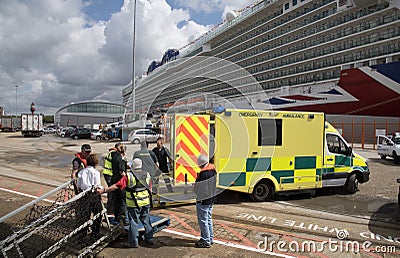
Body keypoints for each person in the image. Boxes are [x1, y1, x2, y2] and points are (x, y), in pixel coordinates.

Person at [98, 158, 154, 248]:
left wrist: (104, 190)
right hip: (145, 201)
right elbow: (150, 187)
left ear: (132, 166)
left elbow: (117, 186)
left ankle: (133, 242)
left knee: (134, 222)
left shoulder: (129, 176)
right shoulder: (147, 174)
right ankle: (149, 238)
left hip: (133, 203)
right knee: (146, 220)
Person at [77, 153, 103, 238]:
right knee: (98, 213)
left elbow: (79, 185)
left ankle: (82, 234)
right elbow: (97, 185)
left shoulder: (81, 172)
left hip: (84, 195)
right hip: (93, 195)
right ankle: (95, 233)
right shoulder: (96, 173)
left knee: (84, 216)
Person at [193, 154, 217, 248]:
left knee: (203, 221)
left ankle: (206, 240)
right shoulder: (213, 171)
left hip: (203, 200)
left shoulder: (204, 174)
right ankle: (210, 238)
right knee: (208, 219)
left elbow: (199, 189)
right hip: (211, 199)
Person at [110, 143, 128, 225]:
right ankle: (123, 218)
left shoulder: (114, 156)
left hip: (114, 179)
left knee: (116, 200)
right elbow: (121, 171)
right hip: (120, 181)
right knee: (122, 200)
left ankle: (117, 216)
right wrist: (127, 178)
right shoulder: (120, 158)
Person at [102, 143, 123, 214]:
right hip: (109, 174)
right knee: (111, 190)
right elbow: (118, 166)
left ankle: (110, 207)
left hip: (107, 173)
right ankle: (110, 209)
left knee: (111, 190)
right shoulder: (114, 154)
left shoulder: (111, 153)